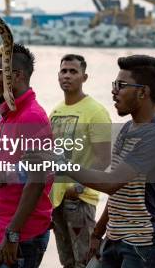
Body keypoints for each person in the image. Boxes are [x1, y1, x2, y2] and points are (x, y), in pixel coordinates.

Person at [31, 55, 155, 268]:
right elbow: (119, 191)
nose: (114, 91)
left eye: (121, 85)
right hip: (114, 238)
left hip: (141, 244)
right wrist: (98, 232)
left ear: (143, 92)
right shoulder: (127, 129)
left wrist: (59, 163)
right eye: (114, 84)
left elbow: (110, 183)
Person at [0, 44, 53, 268]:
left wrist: (13, 234)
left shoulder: (32, 117)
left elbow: (36, 182)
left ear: (17, 75)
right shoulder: (7, 115)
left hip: (21, 236)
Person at [49, 55, 111, 268]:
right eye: (63, 71)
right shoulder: (56, 111)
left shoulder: (96, 111)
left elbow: (104, 159)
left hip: (81, 200)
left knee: (85, 261)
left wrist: (79, 186)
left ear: (84, 77)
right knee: (67, 262)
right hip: (56, 200)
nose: (67, 75)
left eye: (73, 71)